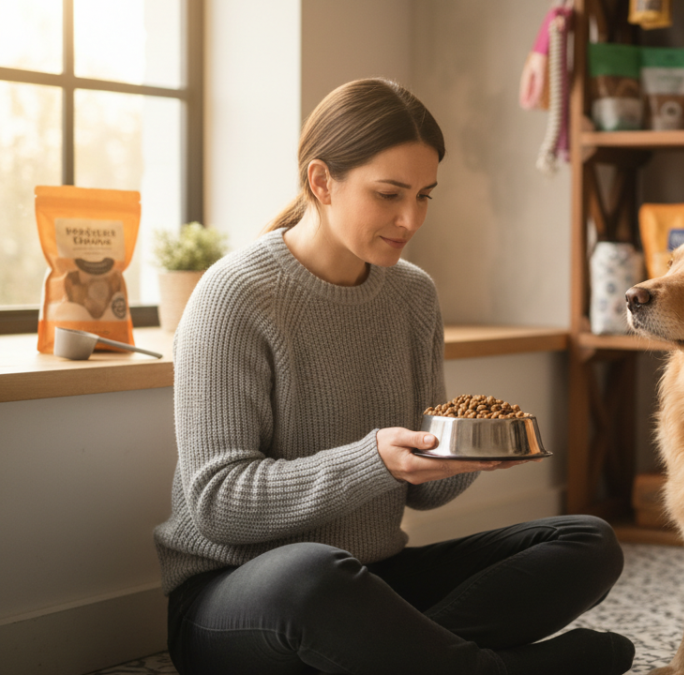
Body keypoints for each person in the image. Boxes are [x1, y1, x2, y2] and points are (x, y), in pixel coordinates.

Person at [153, 78, 635, 675]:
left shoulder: (411, 293)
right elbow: (216, 504)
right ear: (321, 181)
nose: (411, 219)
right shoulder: (235, 295)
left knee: (587, 542)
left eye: (425, 195)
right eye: (389, 194)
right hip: (245, 598)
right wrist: (372, 460)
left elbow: (421, 493)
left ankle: (397, 659)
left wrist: (460, 456)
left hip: (369, 582)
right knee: (309, 573)